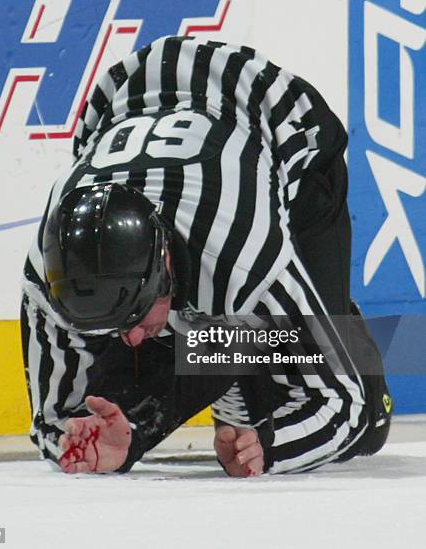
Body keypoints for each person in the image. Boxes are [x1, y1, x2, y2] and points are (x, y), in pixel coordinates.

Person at [20, 35, 392, 477]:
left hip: (280, 119)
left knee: (367, 420)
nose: (132, 338)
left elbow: (339, 403)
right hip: (128, 97)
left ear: (167, 269)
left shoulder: (242, 253)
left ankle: (297, 326)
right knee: (156, 351)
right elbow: (52, 423)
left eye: (136, 317)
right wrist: (111, 436)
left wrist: (269, 448)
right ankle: (225, 349)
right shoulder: (48, 277)